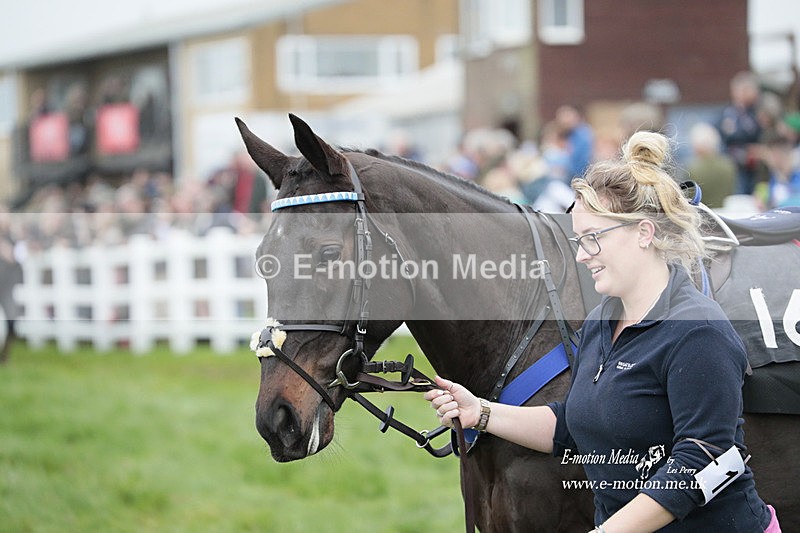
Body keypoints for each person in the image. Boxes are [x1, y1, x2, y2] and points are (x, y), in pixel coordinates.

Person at [426, 131, 781, 532]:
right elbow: (575, 424)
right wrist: (483, 413)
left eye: (593, 238)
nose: (581, 254)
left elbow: (704, 460)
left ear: (644, 233)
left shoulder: (698, 331)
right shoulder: (600, 322)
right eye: (579, 239)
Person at [686, 122, 736, 209]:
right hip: (724, 216)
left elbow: (689, 198)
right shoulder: (728, 165)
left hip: (703, 216)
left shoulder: (692, 168)